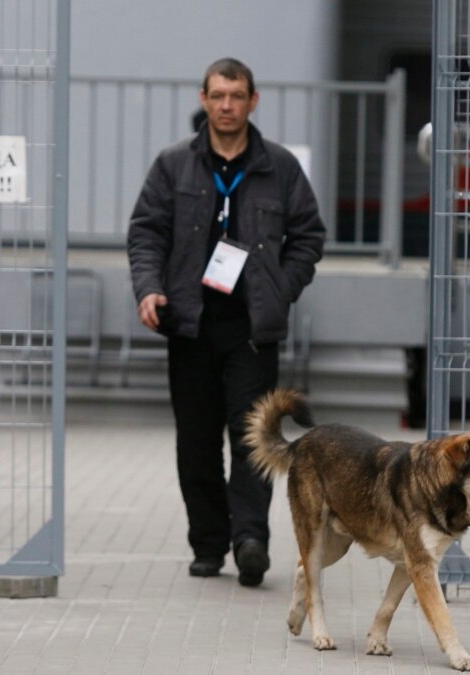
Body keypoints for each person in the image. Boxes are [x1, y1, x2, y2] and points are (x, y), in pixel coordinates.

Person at [127, 58, 325, 586]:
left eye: (236, 96)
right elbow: (146, 232)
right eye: (218, 95)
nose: (227, 105)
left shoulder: (278, 167)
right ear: (203, 98)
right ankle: (209, 544)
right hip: (189, 326)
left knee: (254, 438)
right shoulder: (174, 165)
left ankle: (251, 540)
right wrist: (149, 288)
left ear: (253, 100)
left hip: (251, 329)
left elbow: (309, 234)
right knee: (195, 443)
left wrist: (283, 289)